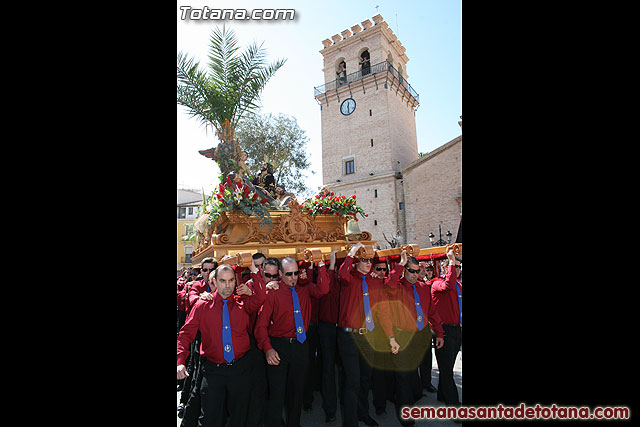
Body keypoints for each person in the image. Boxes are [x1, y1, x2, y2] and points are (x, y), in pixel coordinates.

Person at [177, 261, 266, 427]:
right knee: (210, 418)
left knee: (239, 417)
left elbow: (261, 297)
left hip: (240, 370)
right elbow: (185, 334)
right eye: (223, 281)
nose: (228, 285)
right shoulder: (202, 306)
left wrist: (253, 269)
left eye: (231, 280)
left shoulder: (243, 303)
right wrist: (180, 362)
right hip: (213, 372)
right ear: (214, 282)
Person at [255, 257, 329, 427]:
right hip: (278, 346)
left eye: (296, 273)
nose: (293, 277)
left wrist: (322, 264)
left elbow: (323, 290)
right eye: (289, 274)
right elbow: (260, 326)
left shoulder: (305, 289)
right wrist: (268, 349)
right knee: (277, 394)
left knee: (296, 393)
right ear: (280, 274)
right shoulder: (272, 293)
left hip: (301, 346)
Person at [337, 242, 404, 427]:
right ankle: (350, 423)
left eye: (370, 260)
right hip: (350, 337)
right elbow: (342, 273)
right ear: (357, 262)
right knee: (353, 381)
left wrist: (391, 338)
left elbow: (383, 313)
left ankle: (363, 413)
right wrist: (351, 253)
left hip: (369, 337)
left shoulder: (376, 282)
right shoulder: (348, 278)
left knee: (365, 379)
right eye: (364, 260)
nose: (368, 263)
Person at [386, 256, 444, 426]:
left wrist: (439, 333)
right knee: (403, 376)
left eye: (417, 271)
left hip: (420, 336)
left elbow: (432, 312)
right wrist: (400, 265)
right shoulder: (397, 287)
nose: (414, 274)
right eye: (410, 270)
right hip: (402, 336)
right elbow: (389, 284)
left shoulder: (424, 288)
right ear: (405, 270)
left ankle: (409, 397)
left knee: (413, 374)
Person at [430, 249, 462, 409]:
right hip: (443, 332)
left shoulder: (458, 286)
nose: (456, 269)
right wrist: (450, 261)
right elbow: (448, 285)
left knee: (447, 366)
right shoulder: (437, 284)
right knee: (448, 371)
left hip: (456, 330)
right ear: (444, 268)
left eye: (458, 266)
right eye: (452, 266)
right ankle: (453, 405)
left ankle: (442, 395)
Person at [315, 251, 340, 423]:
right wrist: (329, 266)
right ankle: (330, 409)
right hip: (326, 328)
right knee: (329, 369)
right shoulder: (322, 280)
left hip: (343, 328)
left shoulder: (345, 279)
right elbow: (326, 288)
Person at [417, 262, 437, 393]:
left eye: (427, 268)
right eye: (421, 267)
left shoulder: (426, 286)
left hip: (424, 328)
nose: (424, 270)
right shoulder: (403, 285)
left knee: (426, 358)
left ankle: (426, 382)